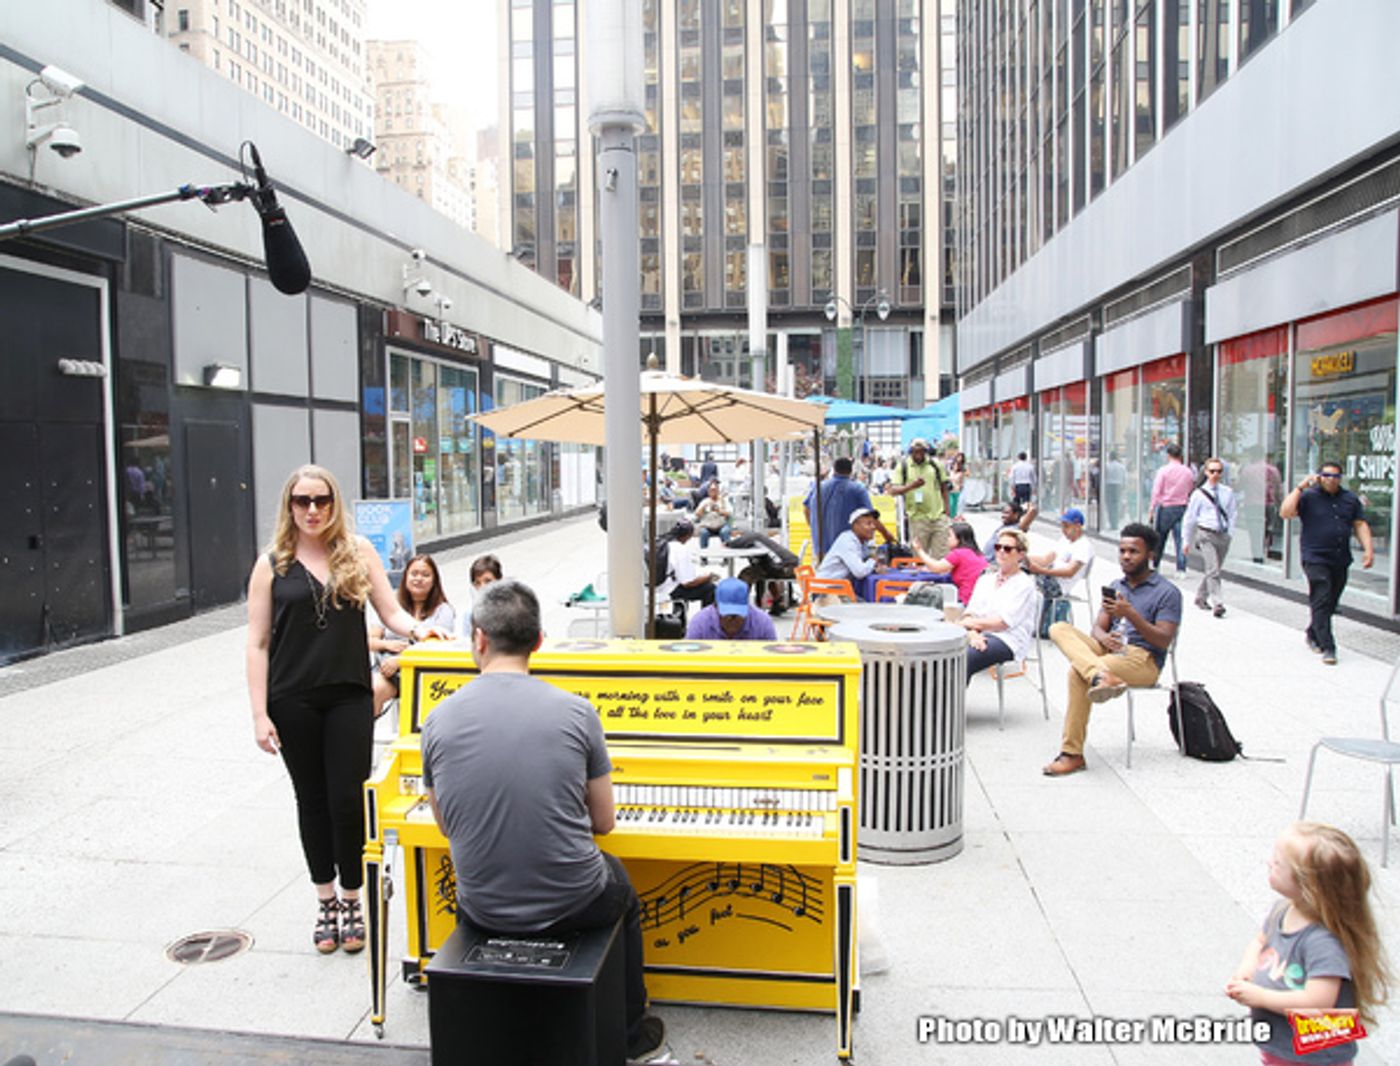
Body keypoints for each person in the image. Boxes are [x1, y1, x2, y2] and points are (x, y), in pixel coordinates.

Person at [421, 580, 667, 1063]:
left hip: (482, 906)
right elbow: (605, 822)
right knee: (619, 884)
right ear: (538, 641)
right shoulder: (578, 712)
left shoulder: (438, 719)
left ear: (479, 639)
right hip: (574, 901)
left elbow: (446, 826)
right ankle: (631, 1031)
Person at [245, 464, 450, 955]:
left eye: (322, 500)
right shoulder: (271, 563)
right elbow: (257, 643)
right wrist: (258, 714)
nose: (312, 510)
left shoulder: (358, 552)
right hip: (291, 698)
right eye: (302, 501)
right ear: (289, 506)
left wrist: (421, 631)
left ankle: (353, 897)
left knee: (348, 800)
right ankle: (325, 899)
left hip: (349, 695)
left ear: (335, 504)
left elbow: (391, 611)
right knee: (311, 801)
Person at [1225, 822, 1392, 1065]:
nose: (1269, 863)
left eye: (1278, 863)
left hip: (1315, 1054)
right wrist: (1247, 970)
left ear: (1308, 886)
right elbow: (1260, 941)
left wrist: (1260, 996)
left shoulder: (1323, 942)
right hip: (1283, 1044)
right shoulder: (1282, 910)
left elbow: (1317, 1003)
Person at [1042, 522, 1182, 777]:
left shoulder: (1167, 592)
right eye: (1122, 551)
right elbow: (1097, 627)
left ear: (1150, 555)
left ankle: (1072, 754)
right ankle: (1099, 674)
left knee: (1077, 673)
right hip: (1109, 651)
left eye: (1133, 552)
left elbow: (1163, 640)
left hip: (1142, 658)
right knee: (1059, 628)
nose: (1126, 557)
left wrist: (1131, 615)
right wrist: (1104, 638)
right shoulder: (1117, 586)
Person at [1279, 461, 1373, 666]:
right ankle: (1328, 647)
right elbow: (1285, 513)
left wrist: (1368, 550)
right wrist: (1300, 487)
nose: (1331, 480)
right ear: (1319, 476)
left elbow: (1359, 524)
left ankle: (1313, 632)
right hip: (1315, 557)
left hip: (1340, 558)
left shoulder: (1349, 499)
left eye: (1335, 476)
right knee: (1321, 598)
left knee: (1330, 602)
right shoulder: (1308, 496)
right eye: (1327, 475)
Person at [369, 554, 457, 719]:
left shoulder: (443, 610)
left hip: (424, 673)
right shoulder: (390, 605)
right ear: (405, 577)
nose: (419, 579)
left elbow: (439, 647)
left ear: (434, 580)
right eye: (414, 574)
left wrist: (400, 660)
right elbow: (370, 641)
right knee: (371, 691)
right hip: (388, 673)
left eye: (425, 575)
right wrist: (387, 646)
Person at [957, 528, 1037, 684]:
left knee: (965, 657)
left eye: (1007, 549)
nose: (1001, 552)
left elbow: (1003, 623)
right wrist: (973, 634)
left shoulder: (1024, 585)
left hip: (1008, 638)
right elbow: (970, 612)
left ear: (1020, 555)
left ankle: (952, 705)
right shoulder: (985, 580)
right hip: (978, 632)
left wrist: (966, 625)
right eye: (997, 547)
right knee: (942, 653)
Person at [803, 456, 893, 557]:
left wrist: (814, 527)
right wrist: (886, 534)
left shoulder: (818, 488)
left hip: (820, 549)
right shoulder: (857, 490)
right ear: (851, 471)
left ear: (834, 469)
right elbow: (871, 518)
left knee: (822, 572)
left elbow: (806, 509)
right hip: (846, 553)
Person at [1183, 458, 1238, 618]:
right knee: (1213, 569)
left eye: (1219, 471)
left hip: (1222, 534)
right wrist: (1186, 540)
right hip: (1205, 533)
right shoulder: (1198, 494)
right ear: (1206, 472)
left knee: (1214, 569)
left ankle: (1200, 597)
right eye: (1212, 471)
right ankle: (1218, 602)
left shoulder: (1227, 492)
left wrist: (1230, 533)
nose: (1215, 474)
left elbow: (1232, 513)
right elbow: (1190, 518)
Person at [888, 438, 952, 560]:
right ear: (910, 451)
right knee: (920, 558)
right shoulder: (903, 466)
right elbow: (892, 491)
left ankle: (940, 578)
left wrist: (947, 512)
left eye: (921, 451)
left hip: (938, 516)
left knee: (942, 556)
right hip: (917, 518)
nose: (918, 454)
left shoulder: (935, 465)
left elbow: (945, 487)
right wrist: (912, 486)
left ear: (926, 451)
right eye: (915, 451)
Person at [912, 521, 986, 606]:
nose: (947, 539)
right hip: (978, 599)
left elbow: (936, 567)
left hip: (966, 600)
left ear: (959, 539)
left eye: (950, 536)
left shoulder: (959, 553)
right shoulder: (977, 554)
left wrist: (919, 550)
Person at [1027, 508, 1094, 602]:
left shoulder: (1084, 546)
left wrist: (1041, 570)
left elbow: (1069, 572)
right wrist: (1023, 558)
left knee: (1025, 587)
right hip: (1048, 577)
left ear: (1078, 526)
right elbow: (1045, 559)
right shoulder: (1064, 540)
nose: (1063, 530)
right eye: (1062, 526)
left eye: (1066, 526)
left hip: (1059, 586)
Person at [1148, 443, 1195, 574]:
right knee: (1181, 539)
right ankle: (1181, 568)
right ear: (1180, 456)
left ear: (1168, 455)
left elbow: (1156, 491)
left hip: (1166, 508)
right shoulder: (1188, 471)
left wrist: (1151, 508)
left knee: (1160, 538)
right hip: (1182, 507)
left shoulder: (1163, 471)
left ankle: (1155, 565)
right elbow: (1190, 487)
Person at [686, 577, 778, 640]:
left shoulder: (763, 623)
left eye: (738, 615)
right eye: (727, 615)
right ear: (715, 607)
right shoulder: (699, 623)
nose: (732, 620)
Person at [815, 507, 888, 585]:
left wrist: (875, 565)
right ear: (856, 526)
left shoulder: (863, 541)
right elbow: (860, 572)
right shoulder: (847, 541)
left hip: (840, 588)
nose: (873, 527)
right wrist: (873, 560)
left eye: (874, 524)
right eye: (868, 524)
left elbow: (865, 562)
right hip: (825, 589)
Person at [656, 519, 716, 608]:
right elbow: (688, 583)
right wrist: (708, 577)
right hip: (669, 589)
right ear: (688, 536)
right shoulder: (680, 548)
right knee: (710, 588)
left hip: (655, 586)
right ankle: (705, 620)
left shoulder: (660, 542)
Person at [693, 480, 734, 548]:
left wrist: (719, 511)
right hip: (708, 526)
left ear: (718, 491)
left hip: (721, 525)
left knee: (725, 532)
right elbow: (697, 514)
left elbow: (729, 514)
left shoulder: (723, 501)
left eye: (715, 490)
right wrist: (704, 507)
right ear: (708, 492)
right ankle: (704, 554)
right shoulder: (705, 501)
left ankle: (727, 553)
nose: (713, 492)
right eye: (711, 490)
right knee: (703, 532)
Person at [946, 452, 967, 517]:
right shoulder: (950, 472)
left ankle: (954, 516)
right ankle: (950, 516)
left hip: (957, 490)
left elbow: (962, 482)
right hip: (950, 490)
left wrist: (960, 487)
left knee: (955, 504)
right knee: (951, 504)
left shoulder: (961, 473)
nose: (956, 466)